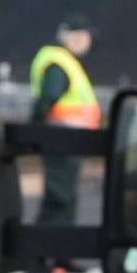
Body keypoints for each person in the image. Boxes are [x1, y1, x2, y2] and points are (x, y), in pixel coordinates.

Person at [30, 13, 102, 233]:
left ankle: (61, 253)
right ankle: (41, 252)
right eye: (86, 35)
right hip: (60, 140)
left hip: (69, 141)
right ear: (76, 37)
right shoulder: (59, 63)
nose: (89, 40)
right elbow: (48, 98)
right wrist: (35, 133)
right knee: (59, 197)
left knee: (67, 197)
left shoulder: (65, 61)